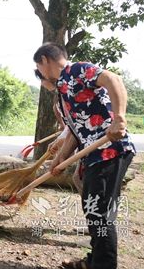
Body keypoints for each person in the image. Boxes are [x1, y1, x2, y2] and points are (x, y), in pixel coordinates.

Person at [33, 43, 135, 269]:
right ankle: (95, 261)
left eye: (39, 68)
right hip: (94, 155)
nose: (40, 74)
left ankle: (102, 265)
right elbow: (76, 131)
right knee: (94, 213)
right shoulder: (63, 91)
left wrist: (119, 119)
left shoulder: (76, 71)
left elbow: (113, 80)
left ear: (45, 61)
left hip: (110, 150)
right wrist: (60, 159)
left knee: (100, 215)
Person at [35, 68, 83, 193]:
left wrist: (61, 149)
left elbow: (76, 125)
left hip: (94, 143)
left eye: (41, 79)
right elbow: (70, 127)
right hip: (78, 139)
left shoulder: (70, 94)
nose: (42, 84)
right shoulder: (59, 102)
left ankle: (98, 211)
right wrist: (59, 141)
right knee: (78, 178)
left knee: (79, 178)